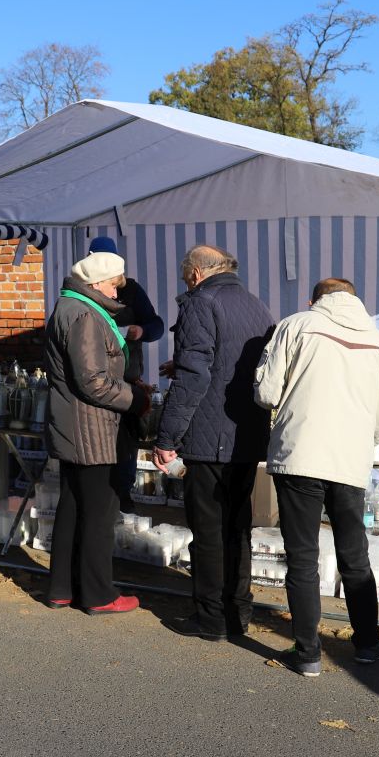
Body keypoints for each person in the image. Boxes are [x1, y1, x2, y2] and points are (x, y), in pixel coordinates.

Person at [253, 277, 379, 676]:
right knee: (355, 556)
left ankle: (307, 653)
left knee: (303, 558)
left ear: (314, 300)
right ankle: (368, 643)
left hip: (300, 455)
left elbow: (266, 392)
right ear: (356, 299)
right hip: (350, 461)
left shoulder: (295, 325)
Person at [152, 245, 274, 641]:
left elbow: (194, 376)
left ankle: (211, 618)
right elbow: (237, 362)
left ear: (195, 274)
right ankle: (238, 612)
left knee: (208, 530)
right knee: (237, 526)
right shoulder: (255, 304)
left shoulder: (200, 303)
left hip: (210, 436)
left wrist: (167, 436)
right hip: (247, 432)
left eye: (186, 274)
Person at [44, 250, 150, 614]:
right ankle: (98, 594)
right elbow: (92, 381)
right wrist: (135, 399)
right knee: (99, 511)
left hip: (78, 423)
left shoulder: (71, 307)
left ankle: (62, 588)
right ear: (94, 283)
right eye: (111, 285)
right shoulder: (84, 314)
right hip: (90, 426)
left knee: (73, 505)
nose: (117, 293)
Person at [86, 236, 165, 511]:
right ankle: (102, 500)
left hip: (128, 381)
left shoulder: (130, 289)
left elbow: (156, 324)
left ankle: (123, 497)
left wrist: (141, 331)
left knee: (125, 446)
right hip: (95, 381)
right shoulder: (84, 291)